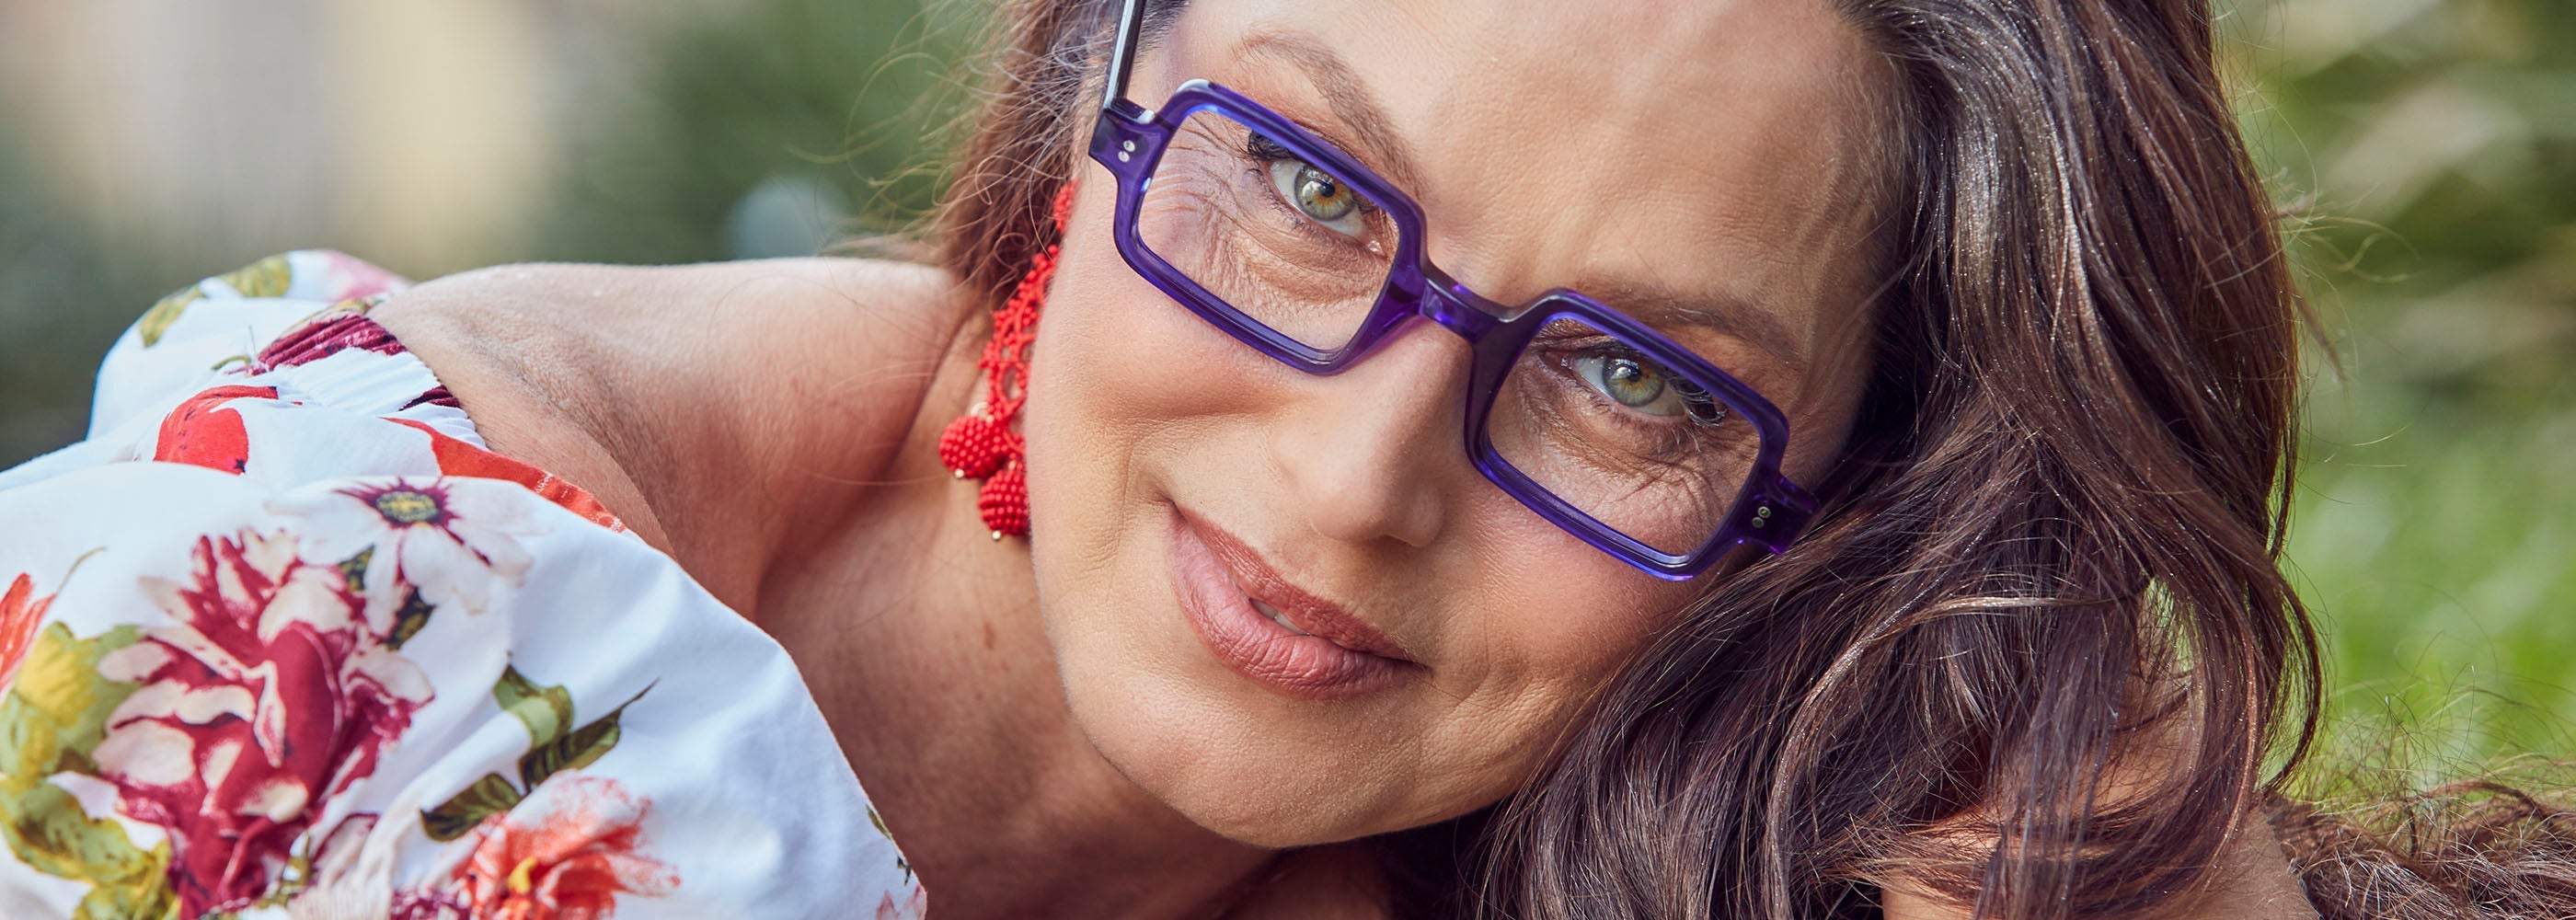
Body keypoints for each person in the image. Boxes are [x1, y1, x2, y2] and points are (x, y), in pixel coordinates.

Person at [1, 0, 2566, 917]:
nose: (1358, 480)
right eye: (1305, 189)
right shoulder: (323, 648)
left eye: (1638, 382)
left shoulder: (1634, 838)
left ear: (1845, 512)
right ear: (1090, 96)